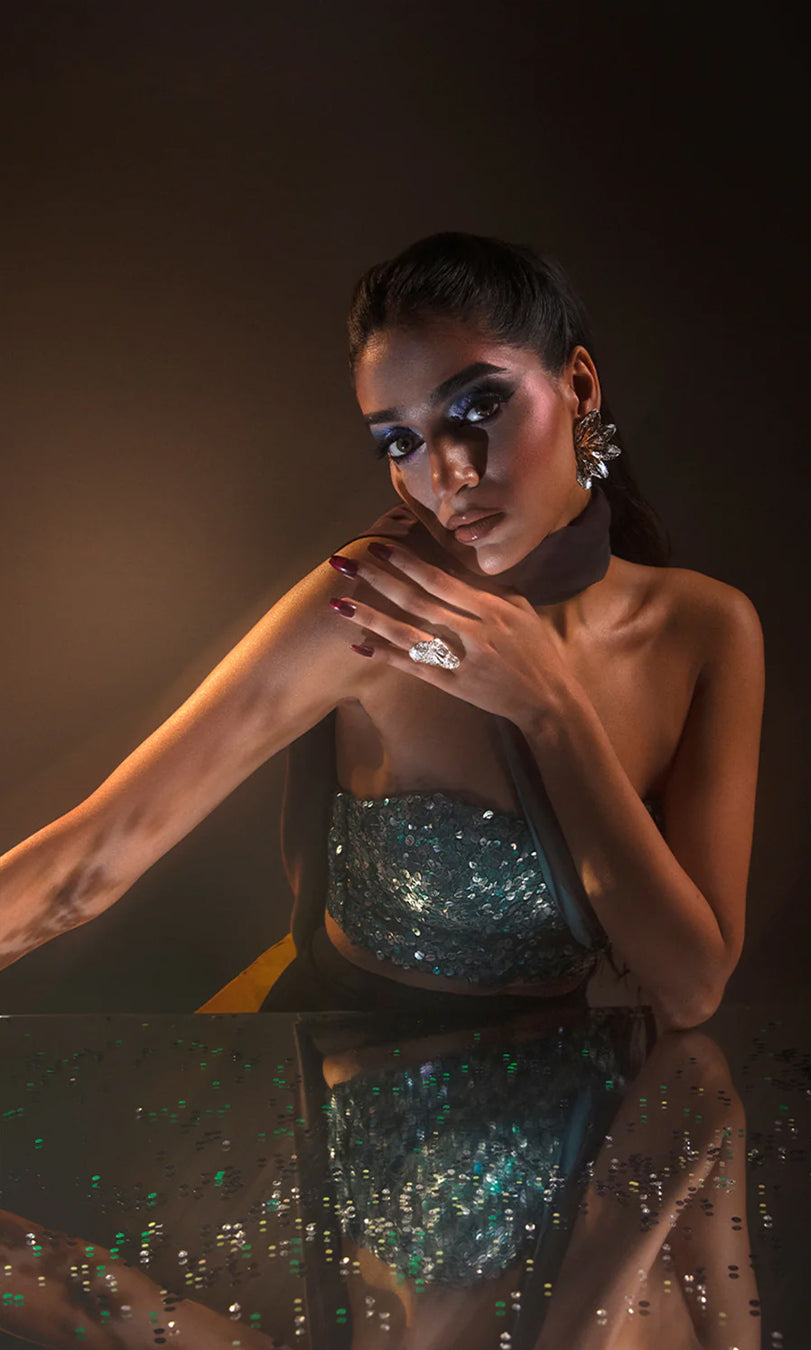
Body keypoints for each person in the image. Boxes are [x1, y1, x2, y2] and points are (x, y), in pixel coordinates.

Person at [0, 232, 764, 1029]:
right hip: (348, 1100)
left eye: (478, 408)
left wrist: (549, 709)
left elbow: (690, 987)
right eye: (400, 441)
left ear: (577, 384)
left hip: (569, 1114)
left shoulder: (707, 630)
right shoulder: (375, 604)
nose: (445, 479)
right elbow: (86, 865)